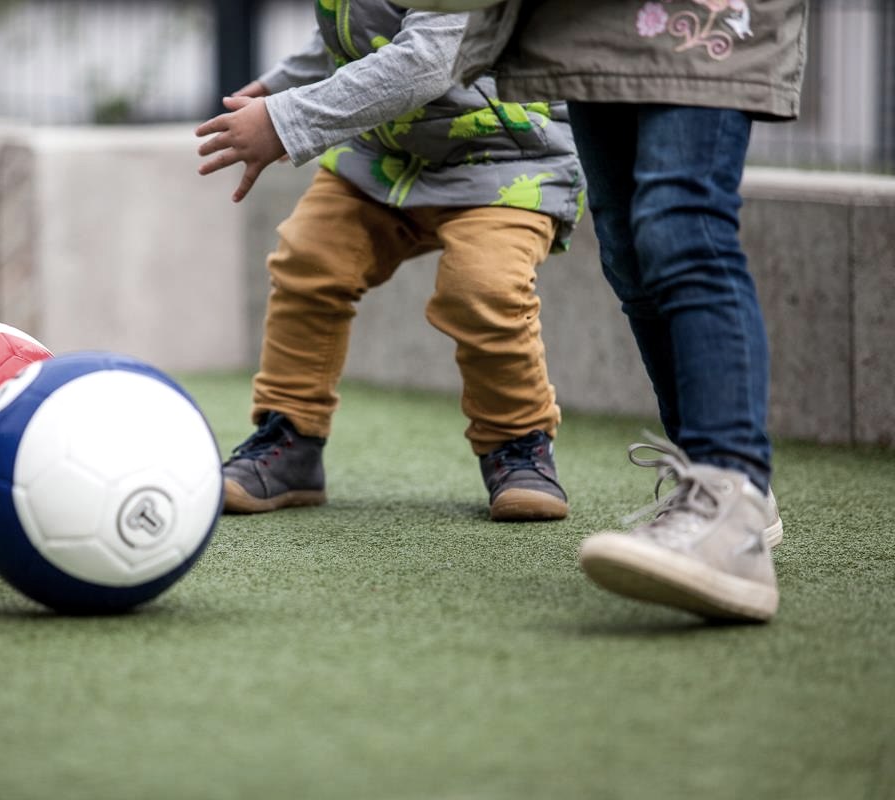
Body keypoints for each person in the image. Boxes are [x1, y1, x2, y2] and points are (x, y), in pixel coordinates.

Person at [389, 0, 807, 622]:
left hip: (695, 16)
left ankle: (730, 489)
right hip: (588, 22)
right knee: (631, 252)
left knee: (682, 224)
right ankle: (712, 484)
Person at [195, 6, 586, 521]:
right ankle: (291, 437)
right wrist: (278, 86)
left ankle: (518, 443)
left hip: (507, 159)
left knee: (482, 288)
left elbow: (428, 57)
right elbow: (348, 31)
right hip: (385, 155)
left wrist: (287, 118)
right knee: (310, 257)